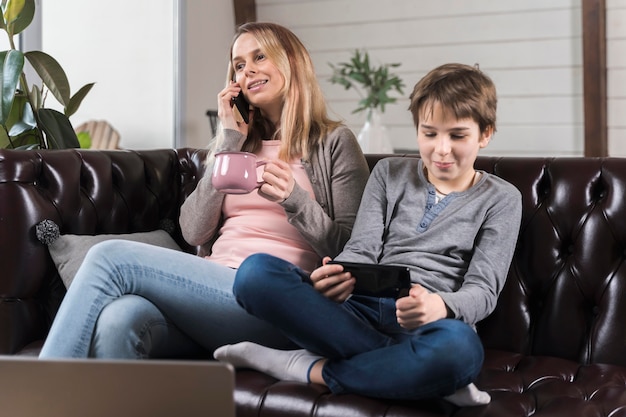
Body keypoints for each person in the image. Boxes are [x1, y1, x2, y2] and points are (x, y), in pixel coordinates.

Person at [39, 22, 370, 359]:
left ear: (292, 63)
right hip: (211, 292)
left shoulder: (334, 143)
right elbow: (194, 231)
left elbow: (351, 250)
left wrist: (294, 200)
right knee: (120, 319)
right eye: (239, 65)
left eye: (260, 57)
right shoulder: (235, 145)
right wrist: (229, 141)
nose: (248, 70)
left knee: (109, 257)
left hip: (276, 300)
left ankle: (35, 402)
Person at [214, 63, 523, 406]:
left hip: (427, 325)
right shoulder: (389, 172)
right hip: (357, 308)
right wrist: (337, 275)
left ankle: (303, 367)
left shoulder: (503, 198)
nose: (441, 149)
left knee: (461, 350)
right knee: (255, 274)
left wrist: (439, 306)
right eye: (429, 133)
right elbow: (360, 248)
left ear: (485, 134)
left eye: (457, 135)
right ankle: (421, 376)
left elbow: (483, 292)